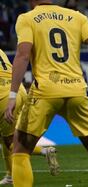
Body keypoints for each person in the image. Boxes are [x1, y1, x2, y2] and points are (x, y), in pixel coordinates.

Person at [4, 0, 88, 186]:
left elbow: (22, 55)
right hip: (76, 90)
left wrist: (12, 96)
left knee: (19, 149)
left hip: (45, 92)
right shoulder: (77, 17)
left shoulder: (26, 19)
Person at [0, 49, 59, 185]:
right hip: (17, 91)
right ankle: (10, 175)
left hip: (3, 97)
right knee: (7, 137)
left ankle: (44, 151)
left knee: (10, 142)